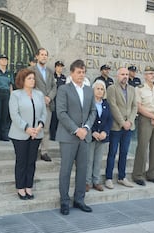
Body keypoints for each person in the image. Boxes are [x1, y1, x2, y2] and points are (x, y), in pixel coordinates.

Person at [56, 59, 96, 215]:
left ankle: (79, 199)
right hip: (68, 136)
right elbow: (61, 113)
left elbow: (93, 111)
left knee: (82, 169)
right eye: (78, 72)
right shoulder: (63, 90)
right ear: (71, 73)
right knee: (65, 170)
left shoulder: (89, 90)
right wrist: (75, 129)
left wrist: (86, 128)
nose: (81, 74)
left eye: (83, 72)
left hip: (84, 136)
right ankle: (64, 201)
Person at [8, 68, 46, 200]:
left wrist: (39, 126)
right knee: (21, 161)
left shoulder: (39, 94)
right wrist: (27, 128)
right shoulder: (16, 95)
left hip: (36, 133)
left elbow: (43, 113)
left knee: (31, 162)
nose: (32, 81)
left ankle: (29, 186)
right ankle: (20, 187)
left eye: (33, 78)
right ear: (22, 80)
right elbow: (14, 114)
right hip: (20, 134)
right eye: (29, 78)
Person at [104, 68, 137, 189]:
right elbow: (112, 106)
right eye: (123, 74)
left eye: (127, 74)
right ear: (117, 76)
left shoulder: (132, 89)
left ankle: (122, 177)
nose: (125, 76)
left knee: (124, 153)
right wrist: (123, 122)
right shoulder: (112, 88)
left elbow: (135, 106)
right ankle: (108, 178)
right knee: (112, 153)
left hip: (129, 126)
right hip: (116, 126)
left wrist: (130, 121)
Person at [132, 66, 154, 186]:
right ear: (145, 76)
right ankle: (138, 174)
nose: (152, 76)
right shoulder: (139, 89)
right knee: (142, 147)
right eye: (150, 73)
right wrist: (153, 117)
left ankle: (153, 174)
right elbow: (139, 107)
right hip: (146, 119)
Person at [28, 48, 56, 162]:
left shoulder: (50, 71)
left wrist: (49, 97)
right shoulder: (31, 69)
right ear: (37, 56)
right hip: (35, 103)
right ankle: (32, 151)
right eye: (42, 55)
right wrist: (41, 96)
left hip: (48, 104)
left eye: (46, 55)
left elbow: (54, 86)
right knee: (34, 127)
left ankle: (44, 152)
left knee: (45, 129)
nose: (44, 57)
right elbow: (30, 85)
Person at [86, 80, 112, 192]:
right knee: (89, 160)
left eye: (102, 89)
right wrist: (92, 132)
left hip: (102, 137)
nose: (100, 91)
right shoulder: (88, 103)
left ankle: (96, 181)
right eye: (98, 88)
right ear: (93, 89)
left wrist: (105, 132)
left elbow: (109, 120)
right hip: (90, 136)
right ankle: (87, 182)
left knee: (98, 160)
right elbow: (85, 119)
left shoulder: (106, 104)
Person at [50, 60, 67, 141]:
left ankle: (57, 134)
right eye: (58, 66)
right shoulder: (52, 76)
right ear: (55, 67)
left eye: (61, 66)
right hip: (53, 99)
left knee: (59, 117)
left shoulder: (64, 77)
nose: (60, 68)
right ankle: (52, 135)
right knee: (53, 117)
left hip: (61, 99)